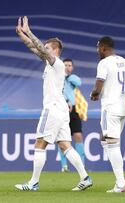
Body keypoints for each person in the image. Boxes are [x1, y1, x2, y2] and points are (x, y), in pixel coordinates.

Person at [14, 16, 92, 191]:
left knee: (40, 143)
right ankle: (85, 178)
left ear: (55, 50)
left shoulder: (57, 63)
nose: (44, 50)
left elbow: (40, 47)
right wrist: (21, 34)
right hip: (62, 110)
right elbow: (33, 47)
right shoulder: (50, 64)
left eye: (48, 48)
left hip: (53, 109)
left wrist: (29, 31)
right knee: (65, 145)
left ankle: (33, 182)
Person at [90, 36, 125, 193]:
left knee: (112, 143)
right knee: (105, 139)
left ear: (103, 48)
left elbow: (98, 86)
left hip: (110, 107)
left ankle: (120, 183)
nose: (97, 50)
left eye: (98, 48)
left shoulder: (103, 63)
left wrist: (94, 94)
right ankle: (120, 177)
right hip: (123, 108)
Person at [57, 59, 86, 172]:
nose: (67, 67)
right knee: (63, 139)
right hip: (61, 109)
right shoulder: (57, 78)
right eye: (65, 65)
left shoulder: (72, 78)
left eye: (69, 65)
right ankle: (64, 166)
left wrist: (67, 76)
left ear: (72, 68)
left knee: (78, 136)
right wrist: (65, 100)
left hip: (73, 111)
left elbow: (79, 82)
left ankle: (81, 164)